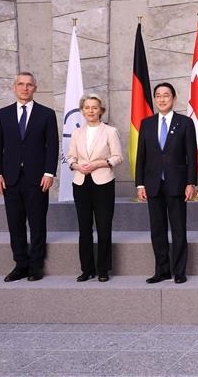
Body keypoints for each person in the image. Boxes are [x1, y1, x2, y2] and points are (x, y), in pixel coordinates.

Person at [0, 72, 59, 282]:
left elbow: (53, 146)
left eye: (29, 84)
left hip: (38, 179)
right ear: (14, 87)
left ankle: (36, 266)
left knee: (37, 223)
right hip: (10, 178)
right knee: (15, 223)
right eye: (21, 84)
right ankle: (20, 265)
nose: (25, 88)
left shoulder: (46, 114)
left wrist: (49, 172)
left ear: (35, 88)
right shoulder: (2, 114)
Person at [135, 82, 198, 284]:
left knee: (178, 229)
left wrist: (191, 182)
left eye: (166, 95)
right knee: (157, 230)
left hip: (177, 184)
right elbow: (141, 156)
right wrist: (140, 184)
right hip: (153, 184)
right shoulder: (147, 123)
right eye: (158, 96)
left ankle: (179, 271)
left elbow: (192, 156)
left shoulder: (185, 123)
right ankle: (162, 271)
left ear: (174, 98)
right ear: (155, 99)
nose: (162, 99)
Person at [67, 93, 123, 282]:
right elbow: (70, 157)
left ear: (101, 110)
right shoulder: (77, 133)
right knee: (84, 229)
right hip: (81, 183)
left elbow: (118, 157)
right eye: (87, 107)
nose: (90, 111)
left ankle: (103, 269)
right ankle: (87, 269)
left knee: (104, 227)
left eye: (94, 107)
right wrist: (76, 166)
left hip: (103, 183)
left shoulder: (110, 131)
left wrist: (99, 163)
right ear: (82, 111)